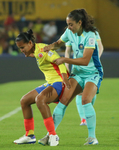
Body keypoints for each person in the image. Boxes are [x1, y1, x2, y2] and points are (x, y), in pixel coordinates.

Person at [39, 8, 103, 146]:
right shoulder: (69, 32)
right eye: (68, 24)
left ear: (80, 22)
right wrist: (46, 48)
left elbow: (86, 60)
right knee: (64, 100)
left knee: (85, 99)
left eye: (71, 24)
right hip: (78, 73)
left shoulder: (90, 35)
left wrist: (65, 60)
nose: (69, 27)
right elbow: (58, 44)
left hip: (93, 72)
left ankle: (92, 138)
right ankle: (50, 135)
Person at [13, 29, 70, 146]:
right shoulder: (35, 51)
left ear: (30, 43)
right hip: (50, 83)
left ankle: (53, 135)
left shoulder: (44, 50)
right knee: (24, 101)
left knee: (40, 99)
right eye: (20, 48)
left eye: (23, 47)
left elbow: (60, 62)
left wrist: (65, 79)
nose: (22, 51)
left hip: (59, 82)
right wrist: (30, 54)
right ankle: (29, 135)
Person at [64, 31, 104, 126]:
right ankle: (83, 118)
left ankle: (87, 112)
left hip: (92, 67)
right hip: (78, 67)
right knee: (79, 91)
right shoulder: (71, 32)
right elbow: (68, 50)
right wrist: (67, 66)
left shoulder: (93, 32)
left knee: (91, 90)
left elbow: (100, 46)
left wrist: (94, 58)